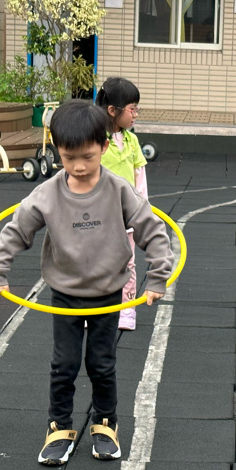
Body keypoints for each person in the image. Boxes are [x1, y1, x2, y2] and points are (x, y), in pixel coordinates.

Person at [0, 99, 174, 466]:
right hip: (66, 294)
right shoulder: (48, 194)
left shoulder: (118, 190)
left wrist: (157, 277)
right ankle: (59, 427)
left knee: (102, 363)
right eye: (69, 158)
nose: (80, 166)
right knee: (64, 365)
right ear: (58, 151)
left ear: (104, 146)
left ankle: (105, 423)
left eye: (88, 156)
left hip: (108, 293)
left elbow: (153, 229)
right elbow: (16, 231)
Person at [96, 77, 148, 332]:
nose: (136, 114)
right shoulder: (95, 139)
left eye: (137, 109)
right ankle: (94, 310)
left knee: (127, 263)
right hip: (97, 217)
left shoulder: (132, 141)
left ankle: (126, 309)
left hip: (125, 217)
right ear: (112, 110)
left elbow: (140, 179)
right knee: (95, 264)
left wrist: (142, 212)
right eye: (132, 109)